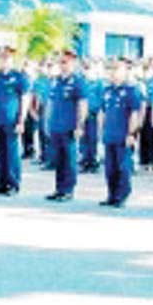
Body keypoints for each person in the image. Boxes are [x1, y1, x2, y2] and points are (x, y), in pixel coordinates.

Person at [98, 58, 143, 207]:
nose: (112, 72)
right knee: (110, 168)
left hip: (123, 135)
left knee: (123, 167)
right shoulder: (107, 90)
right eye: (110, 69)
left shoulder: (131, 90)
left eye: (116, 69)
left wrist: (131, 134)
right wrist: (101, 129)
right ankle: (111, 195)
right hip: (109, 134)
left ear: (125, 71)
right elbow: (103, 112)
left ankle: (122, 196)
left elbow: (135, 114)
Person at [45, 51, 87, 202]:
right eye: (61, 62)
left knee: (69, 159)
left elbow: (82, 104)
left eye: (66, 62)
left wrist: (80, 125)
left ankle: (68, 190)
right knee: (59, 159)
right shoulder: (55, 81)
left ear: (73, 63)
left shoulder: (78, 82)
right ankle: (59, 189)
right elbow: (50, 103)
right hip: (56, 125)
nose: (63, 65)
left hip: (69, 126)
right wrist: (48, 122)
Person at [0, 46, 27, 195]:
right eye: (1, 57)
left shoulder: (19, 77)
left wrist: (21, 120)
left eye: (6, 58)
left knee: (11, 153)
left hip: (12, 120)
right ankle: (1, 183)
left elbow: (24, 99)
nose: (3, 60)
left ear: (12, 59)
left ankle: (13, 184)